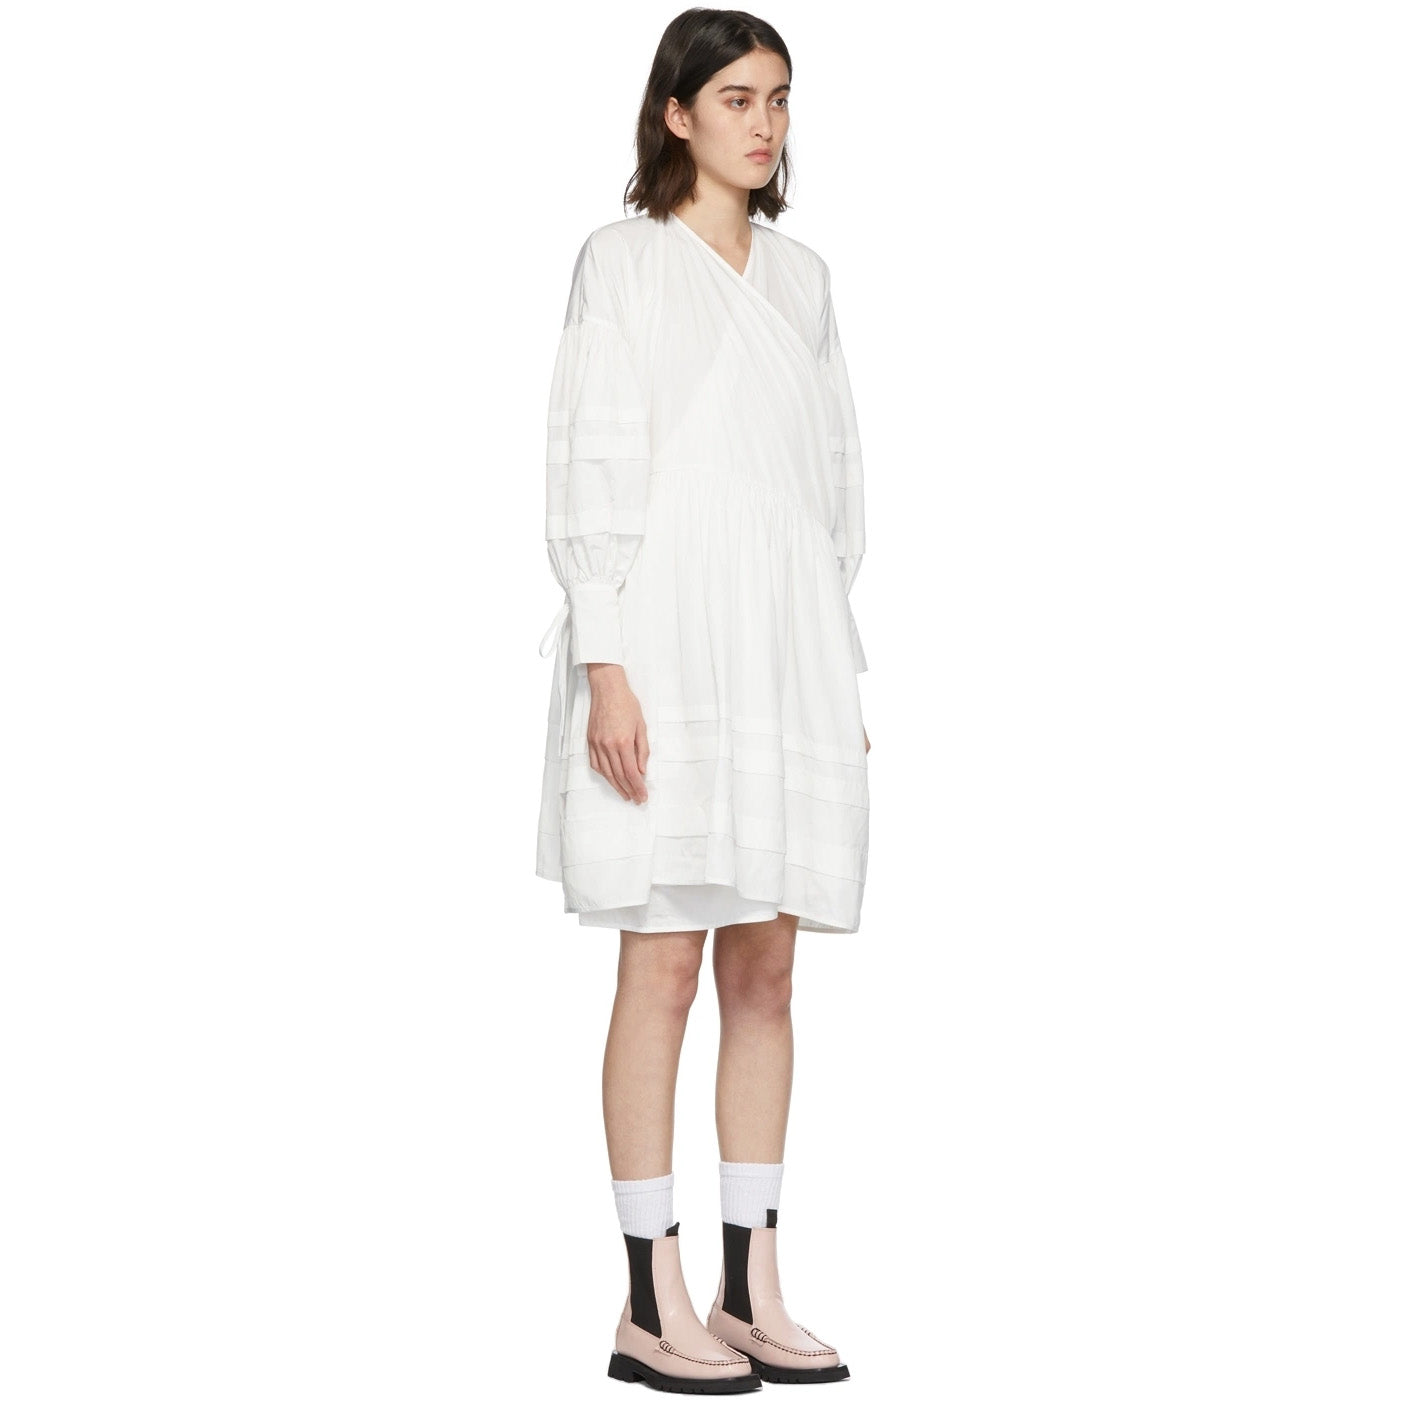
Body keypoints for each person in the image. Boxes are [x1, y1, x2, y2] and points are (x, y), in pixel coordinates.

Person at [534, 10, 868, 1391]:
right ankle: (645, 1291)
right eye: (736, 98)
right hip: (663, 650)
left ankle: (749, 1280)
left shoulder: (803, 279)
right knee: (662, 962)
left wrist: (833, 665)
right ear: (676, 113)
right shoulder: (620, 262)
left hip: (782, 651)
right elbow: (591, 458)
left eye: (779, 99)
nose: (764, 124)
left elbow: (831, 489)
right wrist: (605, 661)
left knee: (767, 969)